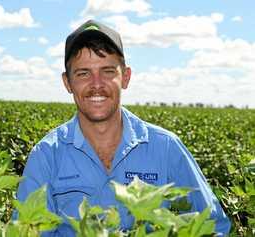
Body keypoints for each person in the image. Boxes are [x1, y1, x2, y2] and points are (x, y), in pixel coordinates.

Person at [16, 19, 231, 236]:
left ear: (125, 77)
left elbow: (214, 227)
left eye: (108, 71)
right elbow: (26, 231)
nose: (96, 84)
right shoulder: (47, 155)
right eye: (83, 73)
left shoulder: (166, 147)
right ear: (67, 83)